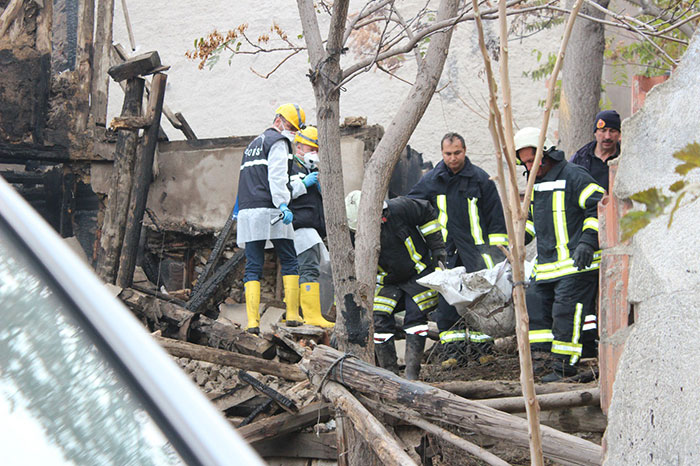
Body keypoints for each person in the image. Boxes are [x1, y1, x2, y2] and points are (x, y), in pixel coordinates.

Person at [408, 133, 508, 367]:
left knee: (481, 301)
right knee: (448, 302)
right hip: (446, 253)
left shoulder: (481, 179)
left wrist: (496, 252)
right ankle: (452, 353)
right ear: (442, 153)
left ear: (465, 151)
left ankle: (484, 350)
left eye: (457, 153)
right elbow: (412, 206)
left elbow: (495, 217)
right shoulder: (432, 181)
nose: (453, 158)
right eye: (448, 154)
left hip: (477, 252)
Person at [514, 127, 604, 382]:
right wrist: (519, 238)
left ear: (547, 153)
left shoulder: (574, 175)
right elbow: (533, 222)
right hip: (548, 267)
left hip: (577, 264)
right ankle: (542, 364)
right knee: (535, 306)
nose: (529, 166)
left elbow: (597, 209)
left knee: (566, 312)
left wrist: (588, 242)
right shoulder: (536, 183)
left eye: (533, 160)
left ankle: (564, 369)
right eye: (525, 162)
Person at [345, 191, 445, 380]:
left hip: (418, 272)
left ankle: (411, 376)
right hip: (386, 281)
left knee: (415, 317)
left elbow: (427, 214)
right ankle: (391, 377)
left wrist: (437, 248)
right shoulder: (352, 233)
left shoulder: (400, 208)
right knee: (380, 320)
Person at [237, 103, 306, 334]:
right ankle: (294, 315)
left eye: (295, 129)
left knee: (253, 265)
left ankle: (253, 323)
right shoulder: (278, 142)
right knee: (289, 258)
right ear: (278, 121)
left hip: (249, 212)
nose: (292, 132)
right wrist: (283, 203)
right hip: (271, 209)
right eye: (290, 126)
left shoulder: (253, 144)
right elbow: (276, 176)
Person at [288, 126, 334, 328]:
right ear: (299, 147)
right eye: (311, 148)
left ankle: (303, 314)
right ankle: (311, 315)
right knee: (308, 268)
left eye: (317, 149)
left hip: (309, 227)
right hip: (299, 226)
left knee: (305, 269)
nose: (314, 153)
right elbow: (284, 192)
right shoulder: (291, 167)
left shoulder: (310, 170)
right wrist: (304, 183)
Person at [570, 110, 622, 192]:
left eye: (612, 131)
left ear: (619, 134)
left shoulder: (625, 157)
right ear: (595, 133)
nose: (607, 136)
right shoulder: (580, 158)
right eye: (603, 130)